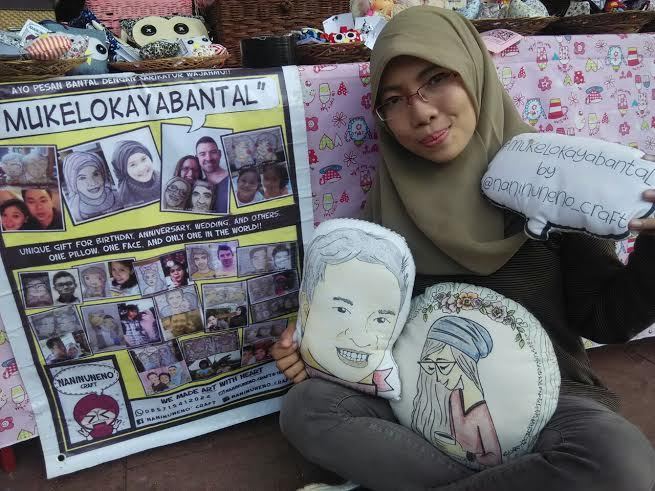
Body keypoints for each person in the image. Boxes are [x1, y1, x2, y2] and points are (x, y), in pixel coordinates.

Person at [272, 7, 655, 491]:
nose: (421, 113)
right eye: (394, 100)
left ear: (475, 73)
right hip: (420, 403)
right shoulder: (385, 212)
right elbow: (370, 338)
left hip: (551, 404)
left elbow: (608, 320)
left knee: (621, 466)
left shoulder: (550, 185)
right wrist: (316, 347)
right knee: (307, 409)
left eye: (436, 79)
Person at [62, 152, 121, 222]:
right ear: (72, 183)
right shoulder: (73, 210)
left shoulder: (119, 194)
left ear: (103, 174)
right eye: (82, 178)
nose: (93, 183)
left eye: (96, 174)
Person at [111, 140, 160, 207]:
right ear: (125, 171)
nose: (142, 168)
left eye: (143, 159)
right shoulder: (123, 199)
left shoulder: (165, 178)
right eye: (133, 165)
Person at [196, 136, 229, 213]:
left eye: (213, 152)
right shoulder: (197, 187)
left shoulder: (234, 180)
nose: (208, 158)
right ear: (197, 158)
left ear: (219, 154)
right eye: (202, 154)